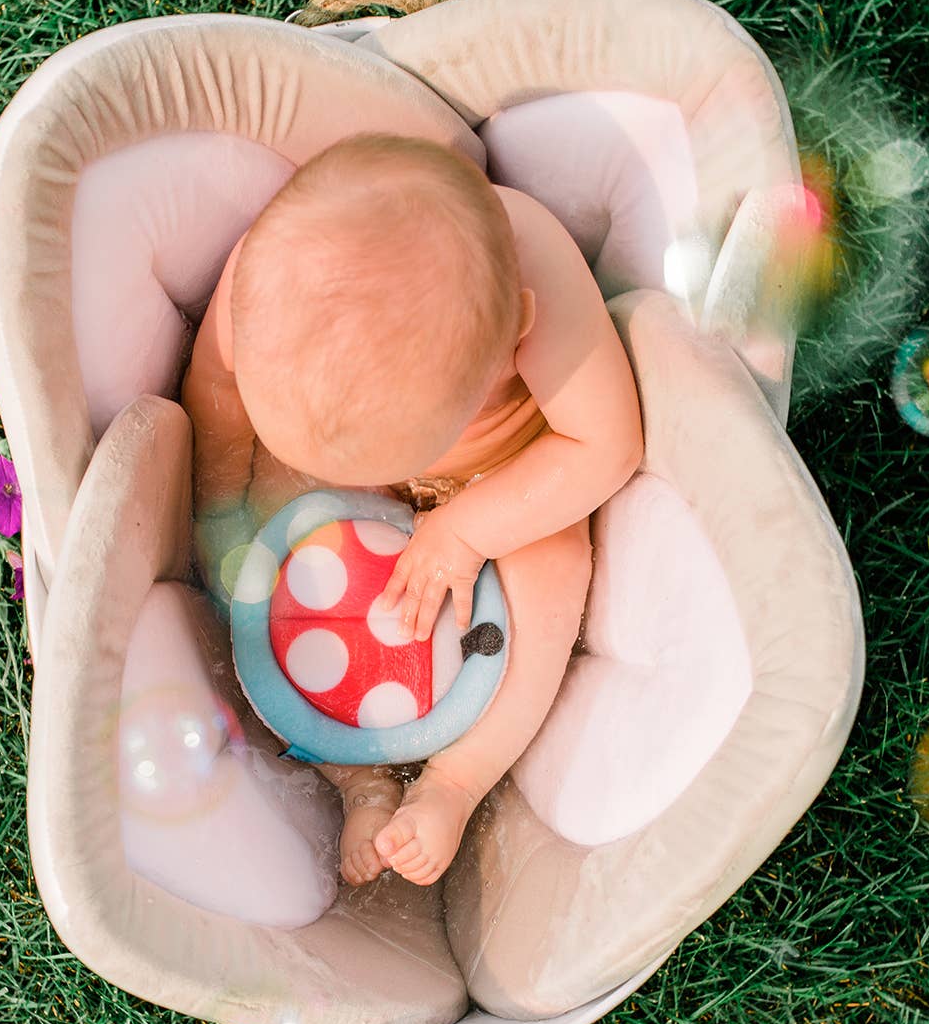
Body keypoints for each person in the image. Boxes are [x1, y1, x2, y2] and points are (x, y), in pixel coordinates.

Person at [180, 132, 643, 888]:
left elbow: (606, 444)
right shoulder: (268, 285)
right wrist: (222, 503)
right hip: (331, 459)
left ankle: (456, 780)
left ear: (514, 336)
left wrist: (467, 528)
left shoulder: (540, 284)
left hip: (500, 473)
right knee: (273, 575)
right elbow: (219, 391)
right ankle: (355, 777)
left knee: (554, 559)